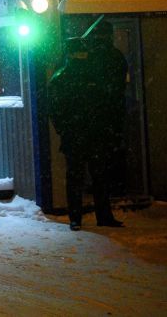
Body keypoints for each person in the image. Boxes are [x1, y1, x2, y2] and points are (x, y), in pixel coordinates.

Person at [46, 29, 126, 231]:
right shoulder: (82, 76)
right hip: (88, 133)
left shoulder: (63, 77)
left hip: (82, 134)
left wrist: (65, 129)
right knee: (93, 177)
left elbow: (55, 109)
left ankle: (80, 218)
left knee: (80, 177)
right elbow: (56, 109)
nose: (82, 56)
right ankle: (96, 216)